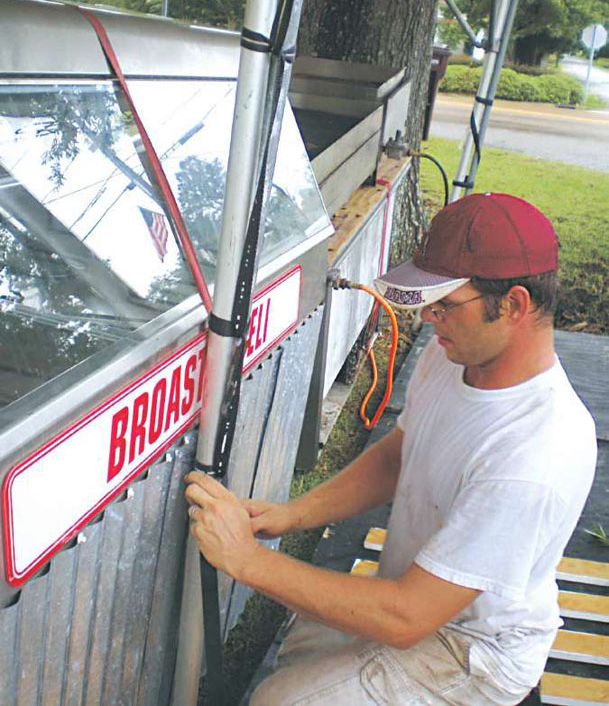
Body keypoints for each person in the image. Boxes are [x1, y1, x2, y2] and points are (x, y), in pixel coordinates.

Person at [185, 192, 596, 705]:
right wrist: (294, 515)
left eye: (444, 304)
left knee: (281, 702)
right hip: (419, 598)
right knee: (303, 643)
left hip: (473, 650)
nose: (427, 318)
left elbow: (407, 618)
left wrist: (246, 561)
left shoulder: (535, 453)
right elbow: (400, 454)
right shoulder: (453, 359)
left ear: (514, 304)